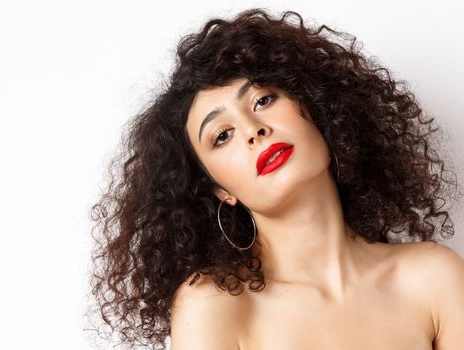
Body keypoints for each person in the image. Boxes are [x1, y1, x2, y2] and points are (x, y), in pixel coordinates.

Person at [88, 8, 464, 350]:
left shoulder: (434, 278)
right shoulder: (214, 304)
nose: (253, 130)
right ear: (219, 189)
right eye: (222, 135)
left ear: (316, 109)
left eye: (263, 101)